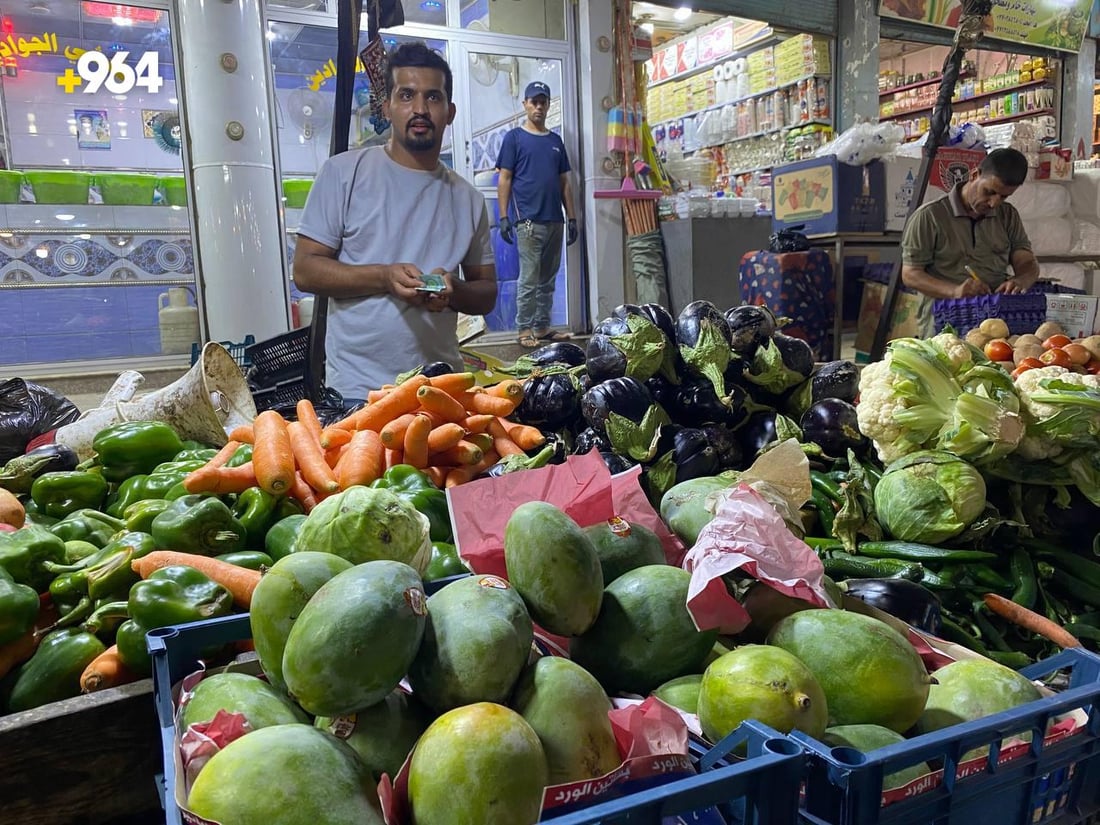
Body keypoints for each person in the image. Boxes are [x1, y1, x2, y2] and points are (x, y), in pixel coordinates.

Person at [293, 42, 497, 402]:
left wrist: (454, 290)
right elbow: (306, 271)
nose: (420, 109)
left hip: (439, 390)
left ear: (449, 112)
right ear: (387, 107)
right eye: (407, 95)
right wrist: (384, 277)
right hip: (360, 393)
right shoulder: (344, 173)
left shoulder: (468, 198)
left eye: (433, 98)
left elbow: (486, 293)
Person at [901, 147, 1040, 336]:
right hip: (945, 316)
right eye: (989, 192)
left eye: (1004, 197)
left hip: (995, 317)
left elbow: (1027, 262)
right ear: (975, 174)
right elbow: (910, 274)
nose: (994, 203)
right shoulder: (930, 216)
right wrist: (955, 291)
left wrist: (1020, 280)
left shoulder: (1007, 215)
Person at [497, 80, 578, 349]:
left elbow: (565, 182)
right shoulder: (515, 139)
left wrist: (573, 217)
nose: (539, 107)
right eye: (534, 101)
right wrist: (504, 216)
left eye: (543, 102)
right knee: (529, 280)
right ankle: (524, 329)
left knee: (548, 280)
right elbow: (505, 179)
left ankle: (542, 327)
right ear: (525, 105)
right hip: (528, 223)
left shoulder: (555, 141)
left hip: (555, 220)